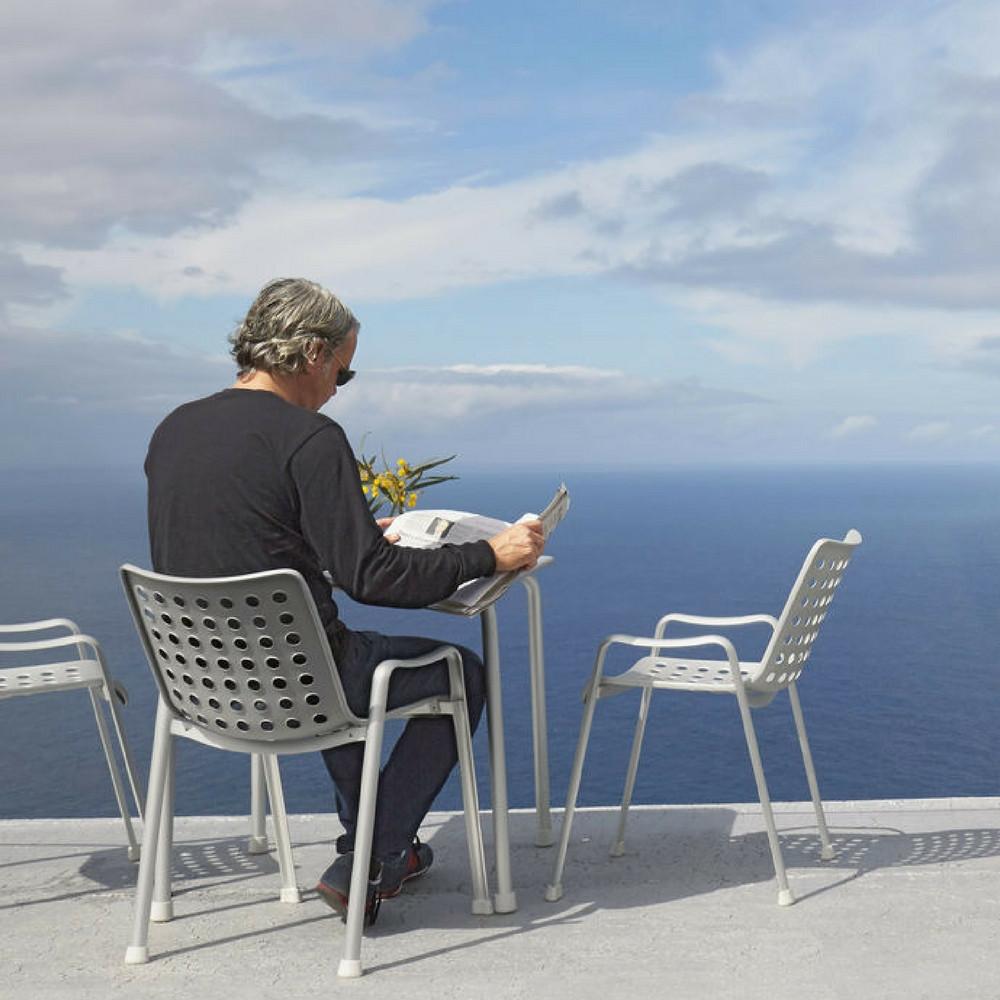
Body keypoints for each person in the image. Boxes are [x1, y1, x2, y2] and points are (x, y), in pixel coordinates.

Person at [144, 277, 544, 923]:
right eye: (343, 371)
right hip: (298, 685)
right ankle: (372, 855)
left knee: (324, 650)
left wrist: (336, 531)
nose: (337, 387)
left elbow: (231, 542)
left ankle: (371, 853)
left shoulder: (174, 429)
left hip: (201, 686)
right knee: (458, 673)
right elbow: (376, 580)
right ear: (311, 353)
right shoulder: (310, 437)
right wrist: (486, 556)